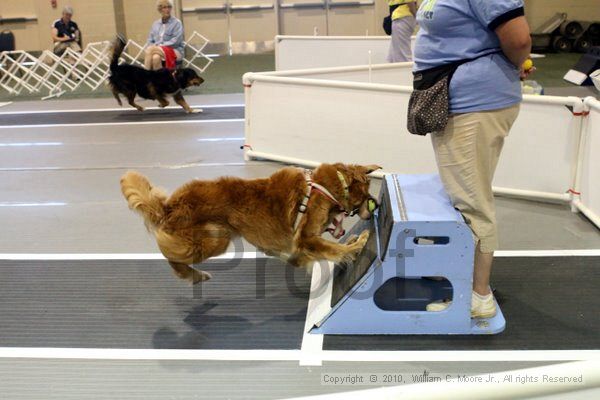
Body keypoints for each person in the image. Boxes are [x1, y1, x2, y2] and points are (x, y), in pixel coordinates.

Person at [413, 0, 533, 317]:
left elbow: (519, 40)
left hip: (475, 101)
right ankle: (461, 273)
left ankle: (477, 295)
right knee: (463, 195)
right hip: (460, 100)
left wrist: (513, 65)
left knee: (472, 201)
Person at [145, 0, 184, 71]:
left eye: (169, 7)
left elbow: (176, 41)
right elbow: (150, 40)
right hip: (158, 50)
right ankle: (160, 80)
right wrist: (155, 46)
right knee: (155, 58)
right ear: (160, 10)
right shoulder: (155, 24)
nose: (167, 10)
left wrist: (159, 46)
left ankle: (145, 75)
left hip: (175, 50)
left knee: (149, 49)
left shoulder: (177, 23)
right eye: (164, 7)